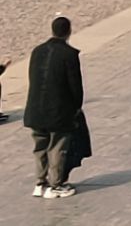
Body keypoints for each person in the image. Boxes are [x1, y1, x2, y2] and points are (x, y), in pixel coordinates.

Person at [24, 16, 83, 199]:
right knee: (57, 146)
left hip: (34, 109)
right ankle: (56, 184)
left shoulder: (37, 51)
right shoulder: (69, 54)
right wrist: (76, 107)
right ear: (68, 31)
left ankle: (40, 183)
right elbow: (75, 86)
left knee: (39, 146)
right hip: (57, 112)